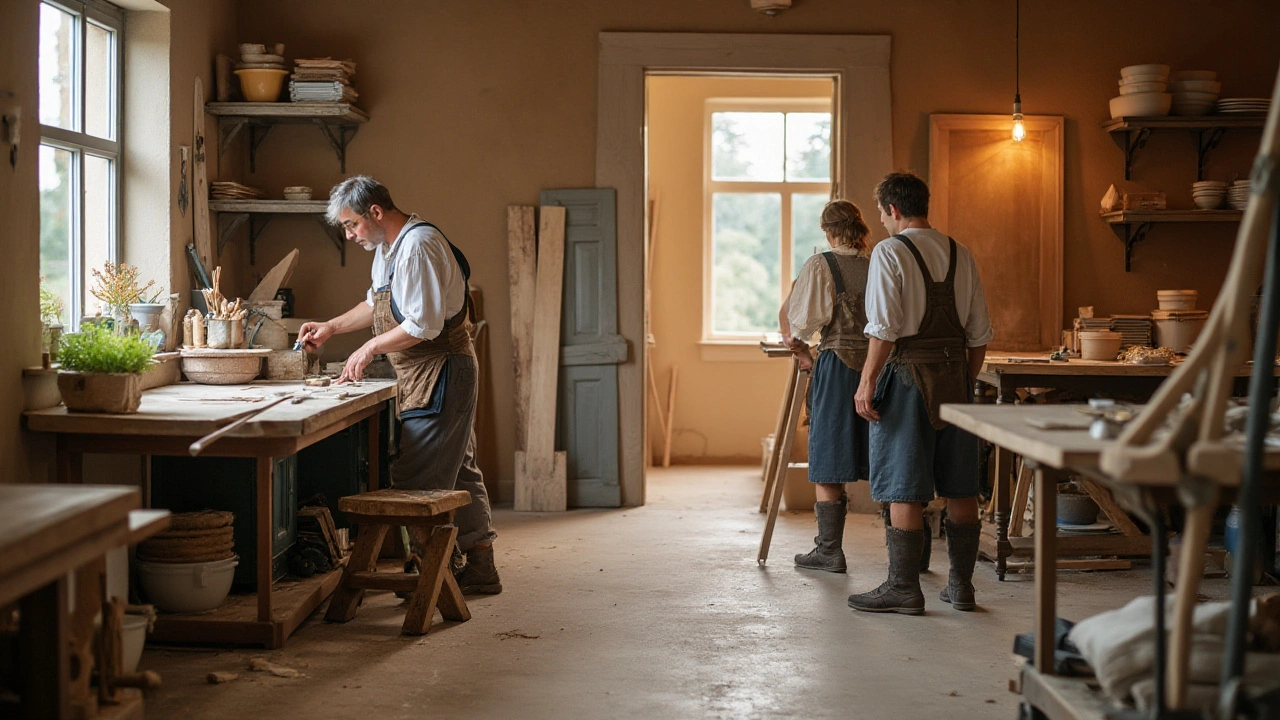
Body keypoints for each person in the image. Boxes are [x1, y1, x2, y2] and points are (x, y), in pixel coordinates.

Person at [299, 175, 501, 595]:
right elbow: (377, 303)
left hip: (441, 370)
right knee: (458, 470)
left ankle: (432, 577)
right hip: (427, 372)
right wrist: (332, 328)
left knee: (419, 481)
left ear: (376, 212)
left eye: (352, 224)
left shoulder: (417, 247)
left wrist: (370, 347)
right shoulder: (389, 249)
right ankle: (479, 567)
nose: (351, 235)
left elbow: (423, 325)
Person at [846, 171, 992, 615]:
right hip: (956, 379)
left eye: (882, 214)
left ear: (892, 209)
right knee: (961, 485)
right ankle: (962, 588)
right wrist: (963, 382)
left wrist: (867, 379)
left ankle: (903, 587)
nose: (884, 222)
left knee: (904, 485)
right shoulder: (960, 252)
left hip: (908, 376)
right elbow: (979, 332)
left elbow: (885, 327)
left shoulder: (889, 251)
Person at [779, 200, 872, 574]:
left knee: (828, 454)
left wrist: (802, 351)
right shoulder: (878, 263)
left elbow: (797, 326)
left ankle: (829, 551)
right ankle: (910, 557)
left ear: (828, 231)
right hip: (879, 368)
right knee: (884, 453)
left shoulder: (821, 265)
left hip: (837, 369)